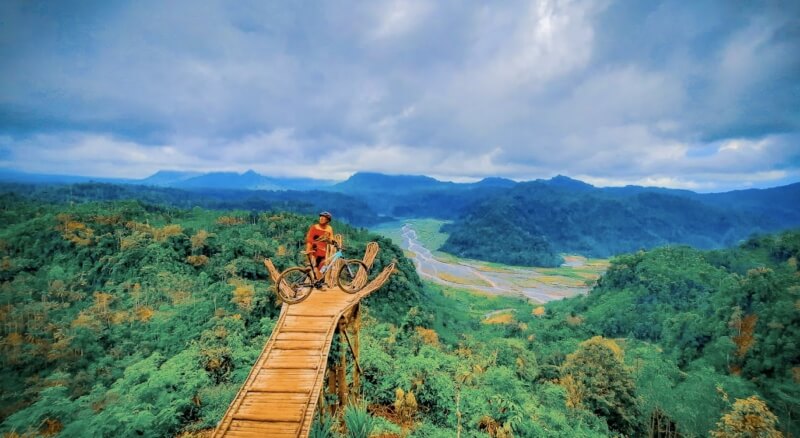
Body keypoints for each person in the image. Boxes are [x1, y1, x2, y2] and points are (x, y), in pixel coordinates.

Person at [305, 211, 334, 279]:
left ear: (327, 220)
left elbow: (332, 238)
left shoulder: (329, 229)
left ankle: (319, 281)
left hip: (324, 252)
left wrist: (333, 242)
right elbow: (309, 239)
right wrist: (309, 250)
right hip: (315, 251)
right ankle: (309, 266)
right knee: (314, 266)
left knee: (324, 268)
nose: (321, 219)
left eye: (323, 218)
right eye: (320, 217)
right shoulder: (314, 227)